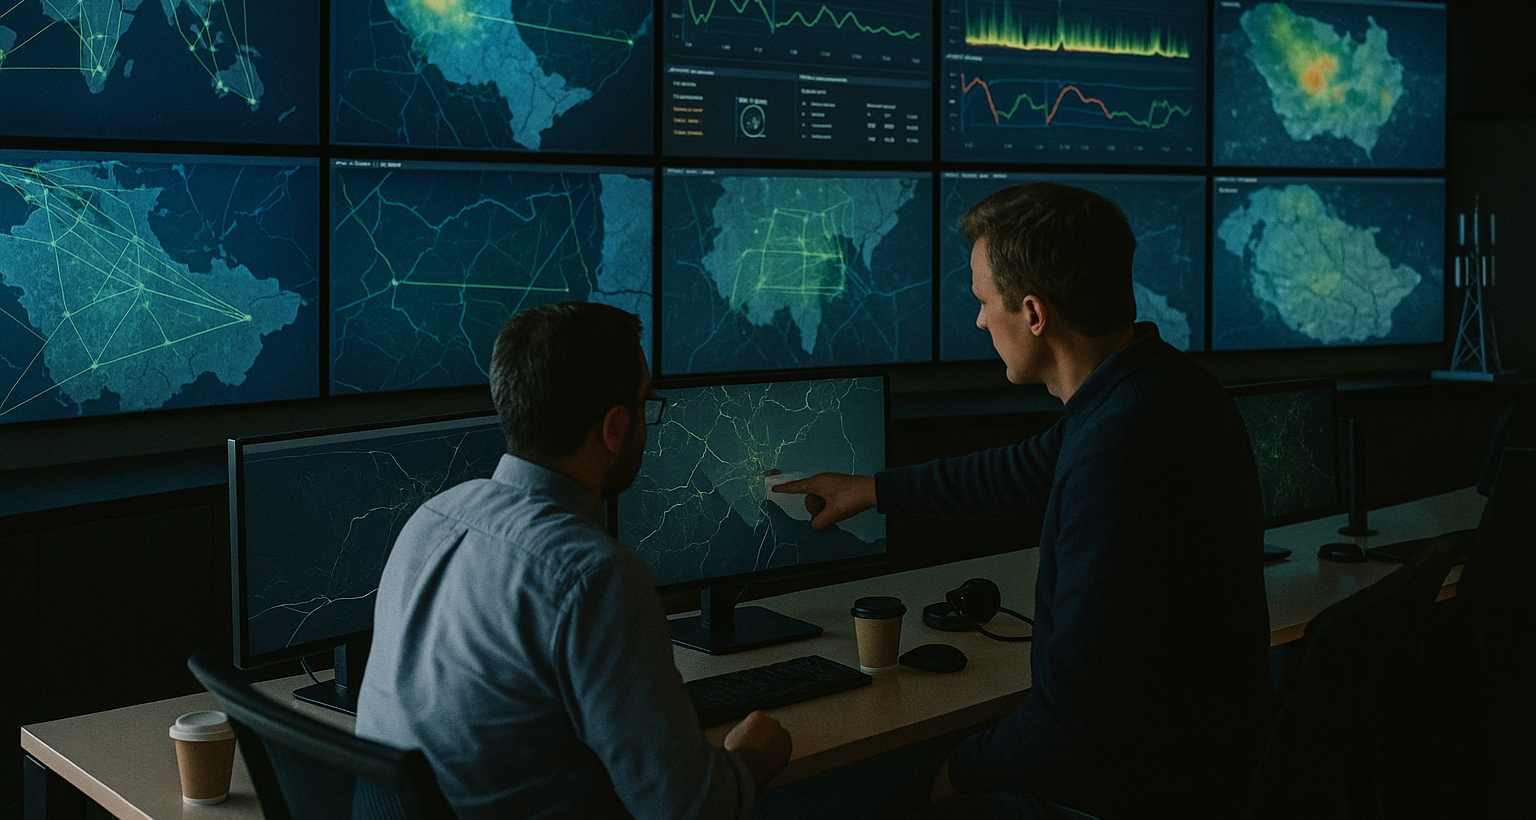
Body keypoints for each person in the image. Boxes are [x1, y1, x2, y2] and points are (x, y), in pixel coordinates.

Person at [773, 183, 1272, 820]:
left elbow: (1075, 724)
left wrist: (957, 772)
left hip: (1129, 794)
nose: (979, 319)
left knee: (875, 793)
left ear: (1034, 314)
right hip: (1205, 767)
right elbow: (1023, 470)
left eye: (984, 301)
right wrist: (872, 491)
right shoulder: (1164, 390)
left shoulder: (1116, 452)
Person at [356, 301, 791, 820]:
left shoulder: (431, 517)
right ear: (614, 428)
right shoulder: (595, 576)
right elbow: (687, 810)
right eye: (646, 403)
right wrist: (749, 759)